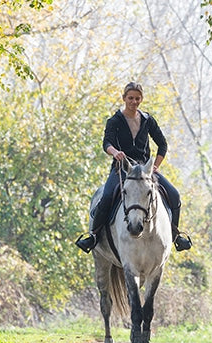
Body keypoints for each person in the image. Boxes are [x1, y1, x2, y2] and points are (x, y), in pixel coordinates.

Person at [75, 82, 193, 253]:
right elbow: (106, 142)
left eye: (137, 98)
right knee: (107, 195)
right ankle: (93, 235)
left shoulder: (148, 120)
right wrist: (115, 152)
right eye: (130, 98)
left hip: (145, 170)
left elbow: (162, 144)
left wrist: (155, 166)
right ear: (124, 98)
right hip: (122, 169)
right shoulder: (114, 120)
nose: (134, 102)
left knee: (174, 194)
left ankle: (175, 235)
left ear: (141, 99)